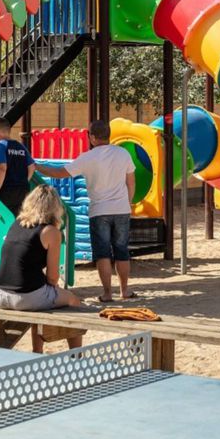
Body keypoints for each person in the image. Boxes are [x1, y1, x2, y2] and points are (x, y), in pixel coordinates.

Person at [37, 120, 136, 303]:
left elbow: (60, 173)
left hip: (99, 210)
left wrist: (36, 166)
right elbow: (131, 182)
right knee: (122, 250)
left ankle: (107, 293)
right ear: (109, 134)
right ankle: (125, 290)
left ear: (92, 137)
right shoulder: (123, 154)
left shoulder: (87, 157)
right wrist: (127, 203)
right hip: (122, 209)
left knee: (102, 253)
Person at [0, 185, 86, 353]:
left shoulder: (16, 224)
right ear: (55, 207)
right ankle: (76, 355)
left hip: (0, 294)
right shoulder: (51, 232)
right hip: (25, 297)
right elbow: (53, 277)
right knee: (74, 301)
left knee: (41, 292)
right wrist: (55, 288)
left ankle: (37, 352)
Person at [0, 117, 34, 215]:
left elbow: (2, 168)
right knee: (18, 217)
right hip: (23, 189)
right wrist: (23, 181)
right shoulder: (20, 146)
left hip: (7, 189)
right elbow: (32, 166)